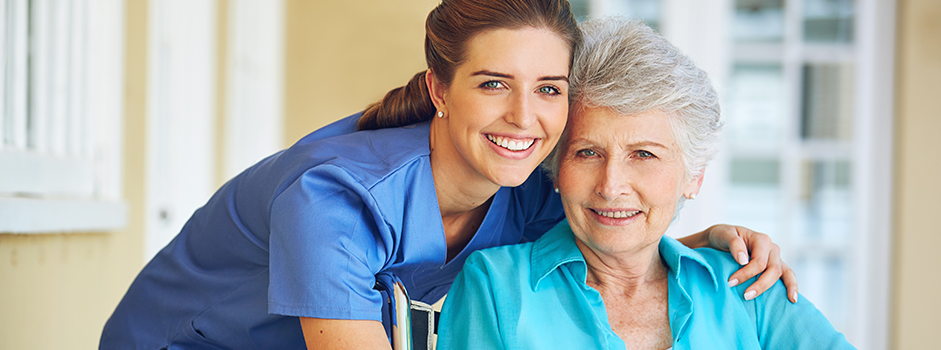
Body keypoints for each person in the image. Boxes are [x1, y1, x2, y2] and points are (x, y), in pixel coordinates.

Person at [100, 1, 796, 349]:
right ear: (439, 88)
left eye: (550, 88)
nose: (525, 118)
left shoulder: (528, 195)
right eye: (495, 84)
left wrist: (706, 238)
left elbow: (614, 223)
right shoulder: (334, 198)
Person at [436, 17, 852, 349]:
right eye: (587, 152)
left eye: (644, 155)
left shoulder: (750, 286)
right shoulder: (496, 286)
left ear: (694, 176)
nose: (611, 185)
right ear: (557, 167)